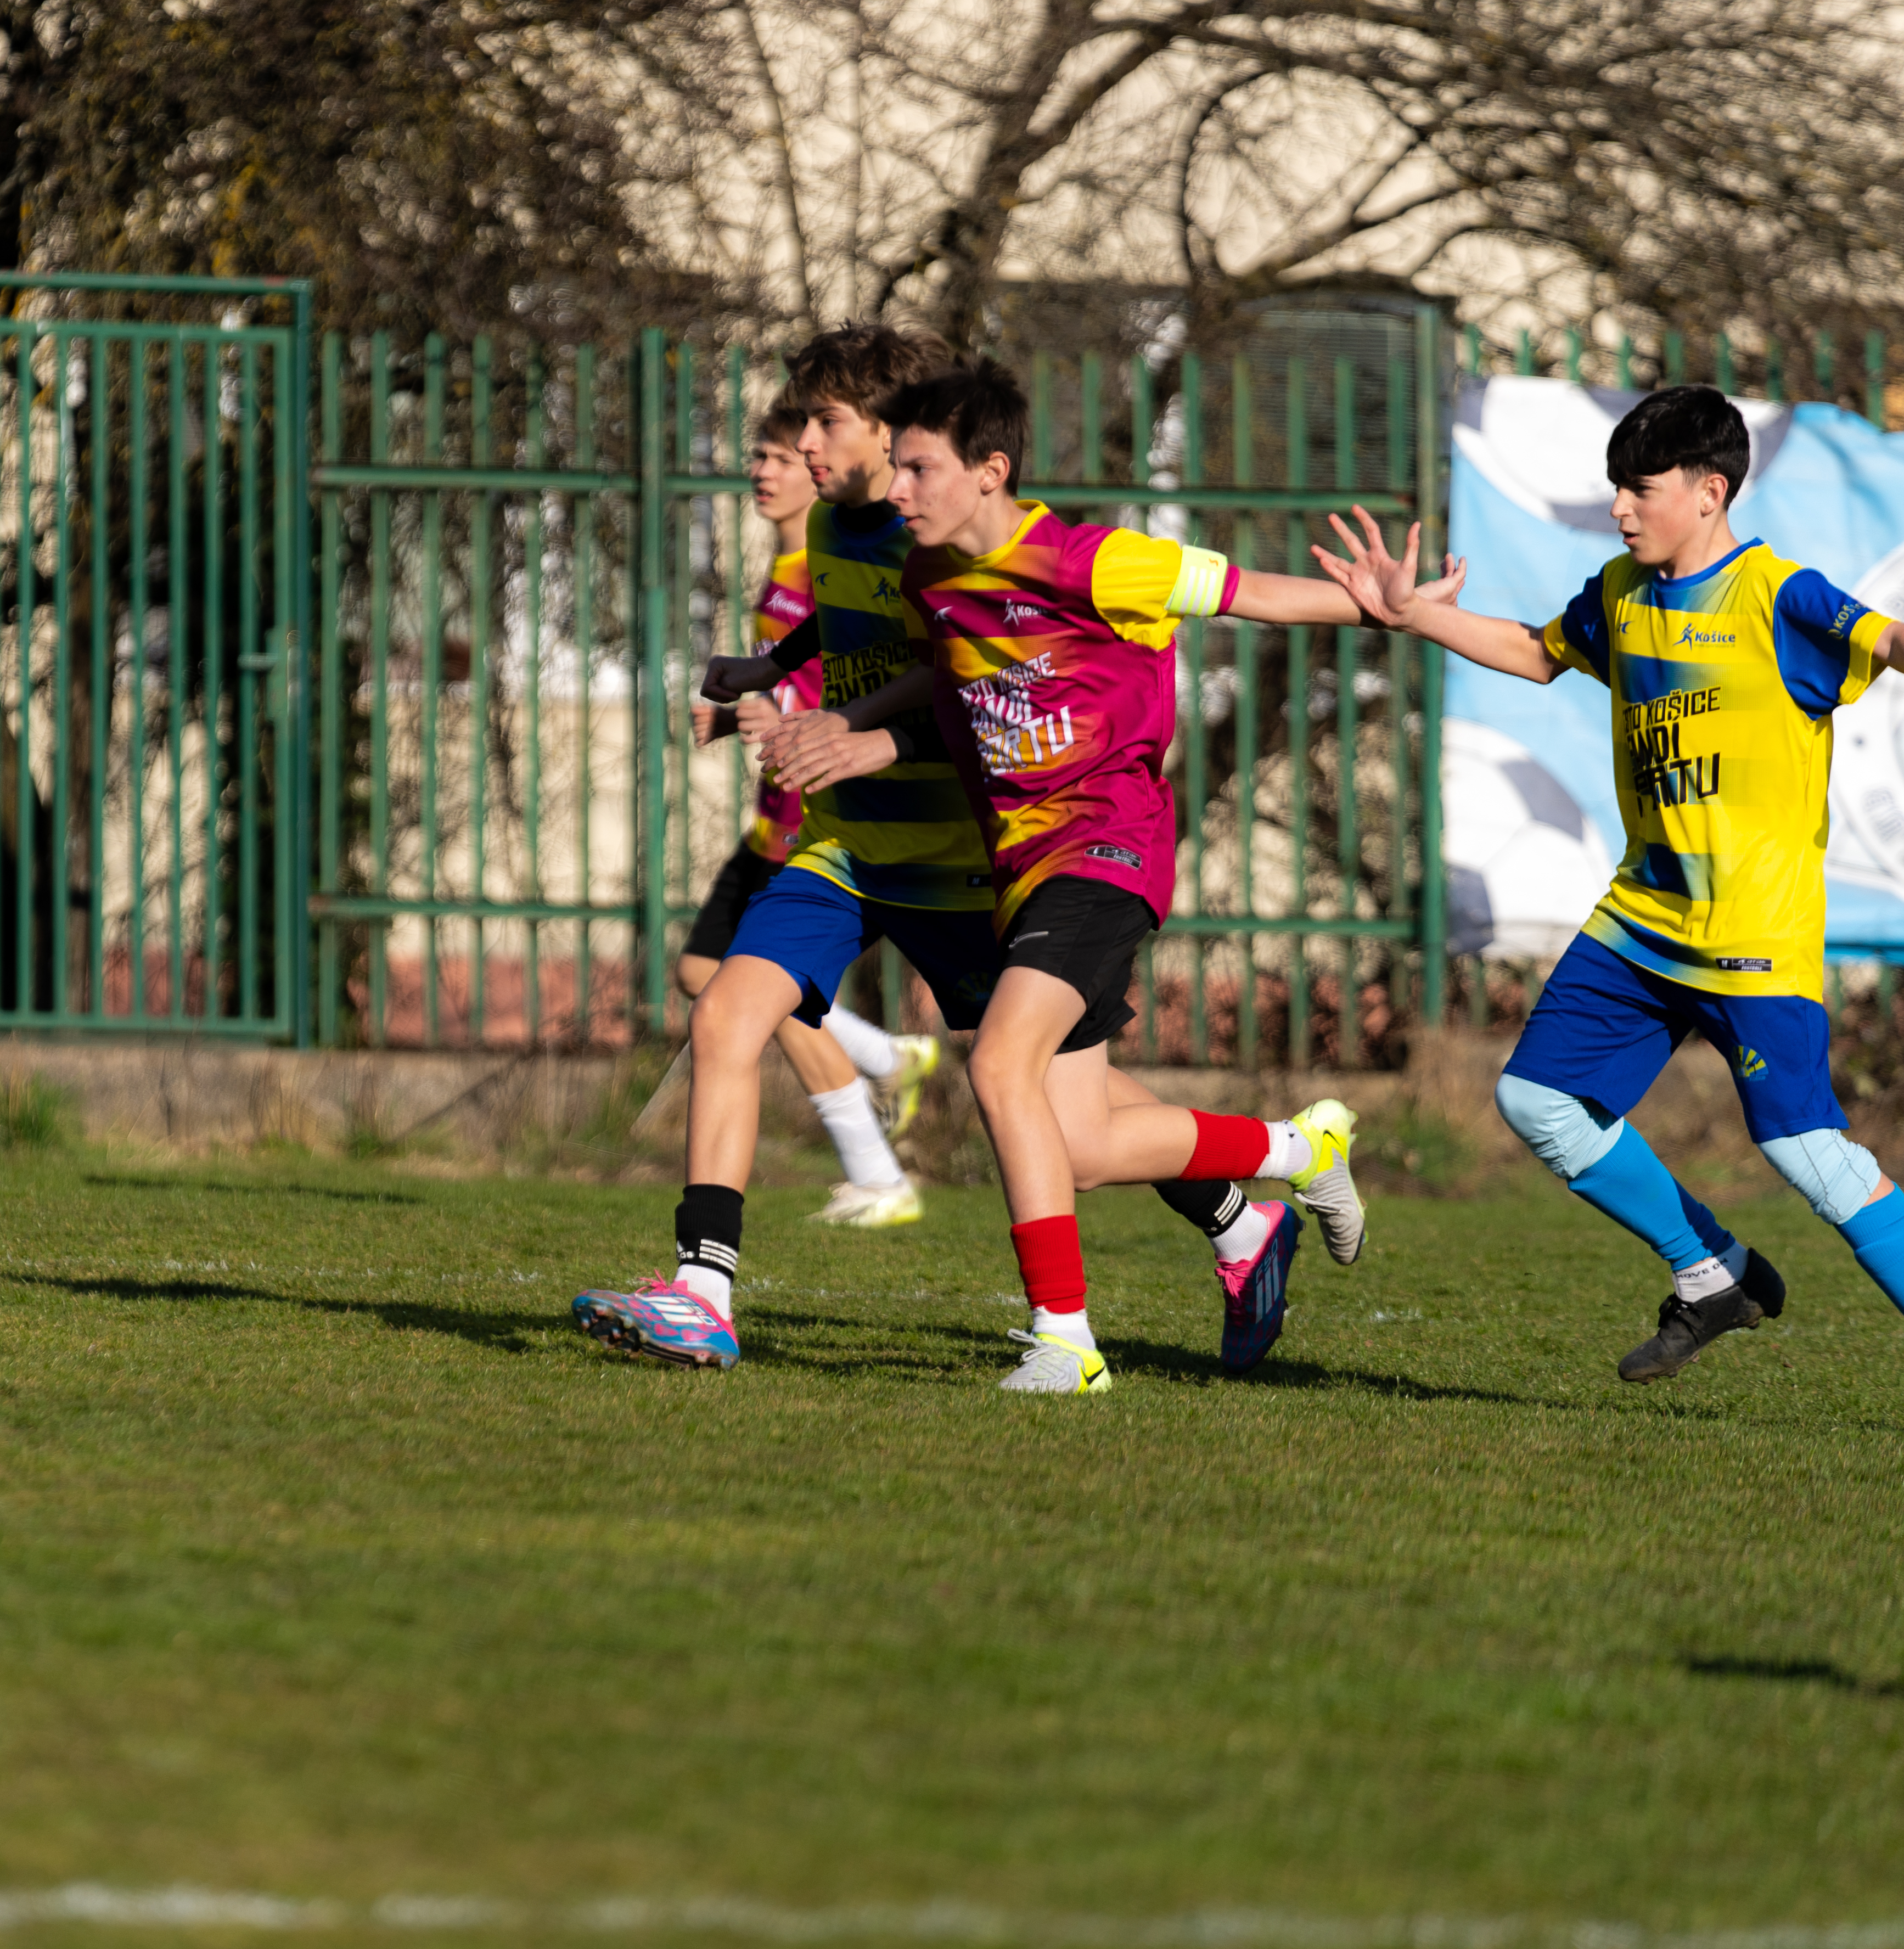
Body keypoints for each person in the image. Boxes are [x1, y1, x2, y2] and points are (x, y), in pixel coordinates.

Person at [1315, 384, 1904, 1436]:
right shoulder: (1621, 593)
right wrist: (1415, 612)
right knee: (1539, 1102)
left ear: (1709, 492)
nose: (1619, 509)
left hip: (1751, 938)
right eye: (1615, 488)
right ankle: (1713, 1274)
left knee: (1809, 1159)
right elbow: (1535, 651)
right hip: (1644, 920)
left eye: (1638, 490)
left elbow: (1892, 641)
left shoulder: (1777, 597)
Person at [571, 325, 1291, 1377]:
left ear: (892, 433)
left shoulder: (945, 539)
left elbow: (967, 679)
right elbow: (849, 628)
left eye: (828, 425)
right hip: (846, 850)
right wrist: (774, 667)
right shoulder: (833, 525)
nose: (806, 444)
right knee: (726, 1010)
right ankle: (703, 1292)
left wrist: (865, 736)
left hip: (960, 860)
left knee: (1057, 1102)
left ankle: (1240, 1207)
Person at [764, 361, 1366, 1391]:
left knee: (1000, 1068)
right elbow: (946, 695)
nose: (896, 489)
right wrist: (852, 727)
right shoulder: (930, 577)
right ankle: (1294, 1150)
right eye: (896, 468)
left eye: (919, 469)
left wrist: (1385, 606)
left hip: (1108, 850)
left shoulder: (1098, 563)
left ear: (991, 471)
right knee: (1078, 1143)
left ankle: (1065, 1344)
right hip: (1021, 870)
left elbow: (1255, 594)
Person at [684, 401, 945, 1227]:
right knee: (718, 987)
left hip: (839, 817)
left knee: (1039, 1065)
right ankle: (881, 1077)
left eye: (786, 453)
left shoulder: (871, 550)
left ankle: (881, 1135)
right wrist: (754, 699)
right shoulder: (810, 555)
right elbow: (817, 665)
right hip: (794, 809)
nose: (773, 466)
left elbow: (901, 670)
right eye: (760, 454)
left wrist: (777, 712)